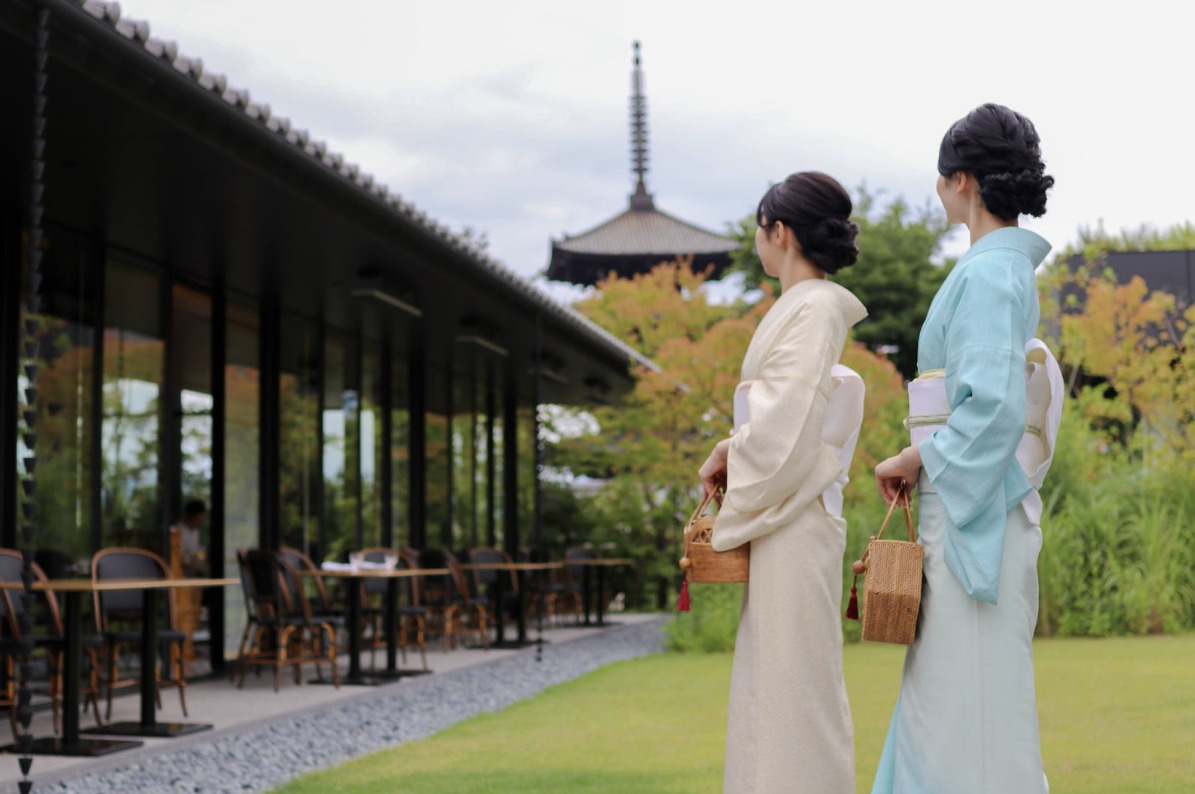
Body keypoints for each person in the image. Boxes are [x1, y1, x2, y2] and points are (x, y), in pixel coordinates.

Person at [870, 103, 1059, 794]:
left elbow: (993, 407)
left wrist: (912, 457)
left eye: (942, 174)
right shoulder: (997, 273)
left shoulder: (985, 276)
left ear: (963, 180)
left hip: (968, 511)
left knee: (962, 712)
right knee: (955, 707)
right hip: (971, 501)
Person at [698, 171, 867, 794]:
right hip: (783, 515)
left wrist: (736, 454)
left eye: (761, 231)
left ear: (782, 233)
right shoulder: (800, 308)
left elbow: (783, 427)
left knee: (796, 692)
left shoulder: (815, 307)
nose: (759, 244)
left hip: (793, 518)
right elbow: (779, 419)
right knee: (773, 690)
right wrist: (733, 446)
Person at [171, 499, 208, 577]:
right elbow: (181, 558)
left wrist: (201, 560)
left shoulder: (196, 531)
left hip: (193, 572)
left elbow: (199, 550)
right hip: (181, 574)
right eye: (198, 519)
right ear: (190, 516)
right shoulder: (177, 532)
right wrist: (196, 561)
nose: (201, 522)